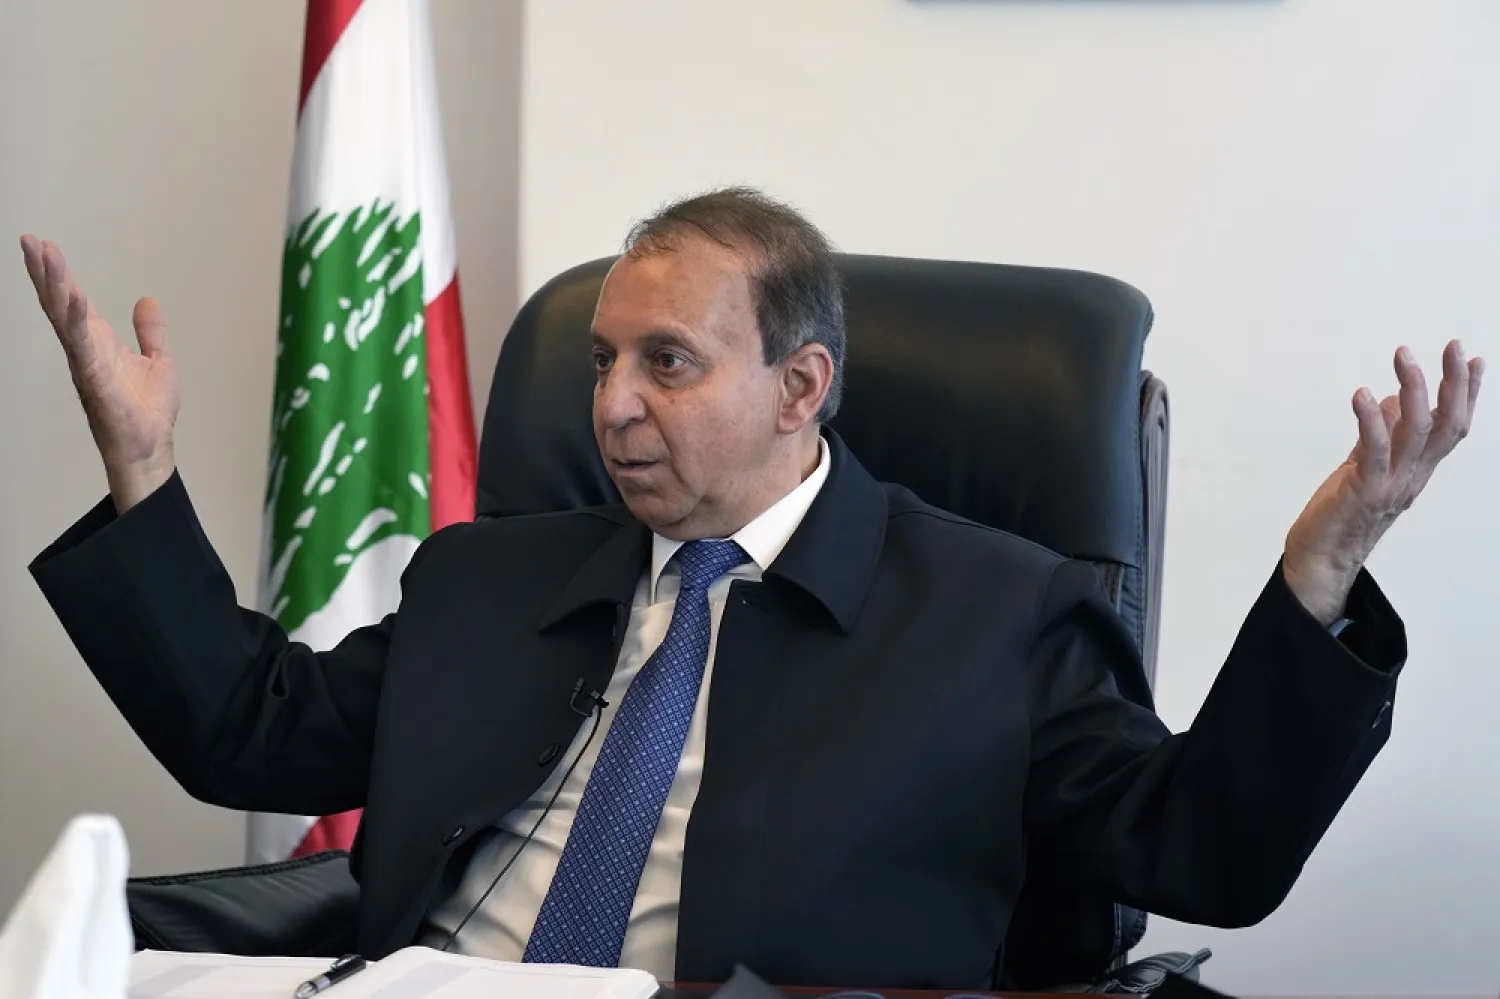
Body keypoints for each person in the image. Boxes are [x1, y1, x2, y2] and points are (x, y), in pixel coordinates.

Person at [19, 188, 1482, 989]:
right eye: (603, 360)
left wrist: (1320, 578)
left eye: (668, 363)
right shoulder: (490, 579)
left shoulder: (996, 616)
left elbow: (1200, 851)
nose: (612, 405)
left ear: (801, 387)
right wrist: (144, 474)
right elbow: (249, 734)